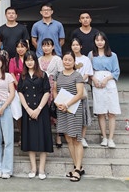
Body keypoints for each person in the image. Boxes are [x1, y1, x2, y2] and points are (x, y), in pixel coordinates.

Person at [17, 51, 53, 180]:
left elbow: (47, 92)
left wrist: (38, 109)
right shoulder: (23, 76)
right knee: (30, 139)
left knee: (43, 139)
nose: (29, 62)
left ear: (36, 61)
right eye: (27, 60)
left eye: (32, 60)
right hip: (27, 111)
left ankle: (42, 169)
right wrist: (27, 109)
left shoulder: (43, 74)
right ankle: (33, 168)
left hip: (41, 111)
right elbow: (20, 92)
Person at [53, 51, 85, 182]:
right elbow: (54, 91)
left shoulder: (77, 75)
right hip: (62, 110)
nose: (67, 62)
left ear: (74, 62)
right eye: (65, 59)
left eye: (69, 60)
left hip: (74, 110)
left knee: (76, 139)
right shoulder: (58, 75)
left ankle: (77, 169)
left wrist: (67, 104)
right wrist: (57, 103)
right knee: (68, 139)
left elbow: (80, 93)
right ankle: (77, 167)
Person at [89, 31, 121, 149]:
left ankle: (111, 138)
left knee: (111, 112)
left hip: (109, 81)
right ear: (94, 41)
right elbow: (89, 70)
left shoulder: (112, 55)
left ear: (105, 41)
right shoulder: (91, 54)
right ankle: (104, 137)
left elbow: (116, 71)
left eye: (101, 40)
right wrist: (94, 79)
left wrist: (107, 79)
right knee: (101, 111)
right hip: (97, 82)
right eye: (97, 40)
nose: (99, 42)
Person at [38, 38, 64, 147]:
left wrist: (57, 88)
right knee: (45, 111)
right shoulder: (39, 59)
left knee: (55, 111)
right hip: (42, 88)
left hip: (54, 86)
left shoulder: (57, 59)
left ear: (53, 47)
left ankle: (58, 136)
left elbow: (61, 74)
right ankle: (46, 136)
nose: (46, 48)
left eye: (48, 45)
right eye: (44, 45)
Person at [71, 37, 93, 148]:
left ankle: (82, 137)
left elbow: (87, 74)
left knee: (84, 113)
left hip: (82, 87)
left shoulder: (86, 59)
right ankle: (73, 136)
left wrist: (78, 81)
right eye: (73, 45)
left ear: (81, 46)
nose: (75, 47)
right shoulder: (69, 58)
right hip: (70, 87)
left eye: (77, 45)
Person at [8, 39, 29, 143]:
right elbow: (11, 73)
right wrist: (18, 84)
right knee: (18, 114)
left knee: (28, 113)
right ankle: (22, 135)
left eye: (22, 46)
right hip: (17, 90)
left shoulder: (30, 58)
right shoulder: (13, 60)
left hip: (29, 90)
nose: (20, 49)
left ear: (26, 48)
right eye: (18, 47)